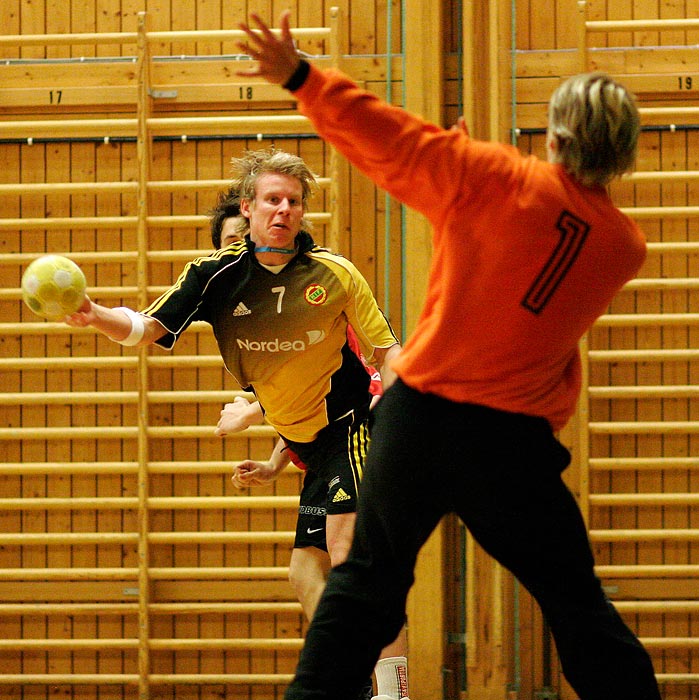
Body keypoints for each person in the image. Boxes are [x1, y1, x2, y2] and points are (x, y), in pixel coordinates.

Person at [233, 12, 663, 700]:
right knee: (576, 604)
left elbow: (390, 138)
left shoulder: (492, 178)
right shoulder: (623, 247)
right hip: (512, 446)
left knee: (366, 584)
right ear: (622, 152)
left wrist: (301, 76)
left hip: (424, 420)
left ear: (552, 135)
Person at [65, 148, 408, 700]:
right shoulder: (215, 276)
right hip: (306, 445)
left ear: (302, 212)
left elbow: (389, 351)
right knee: (304, 572)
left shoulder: (335, 274)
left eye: (293, 201)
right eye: (272, 199)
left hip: (351, 426)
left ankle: (388, 691)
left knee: (351, 561)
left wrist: (392, 403)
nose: (284, 210)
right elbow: (149, 326)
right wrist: (94, 313)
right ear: (248, 208)